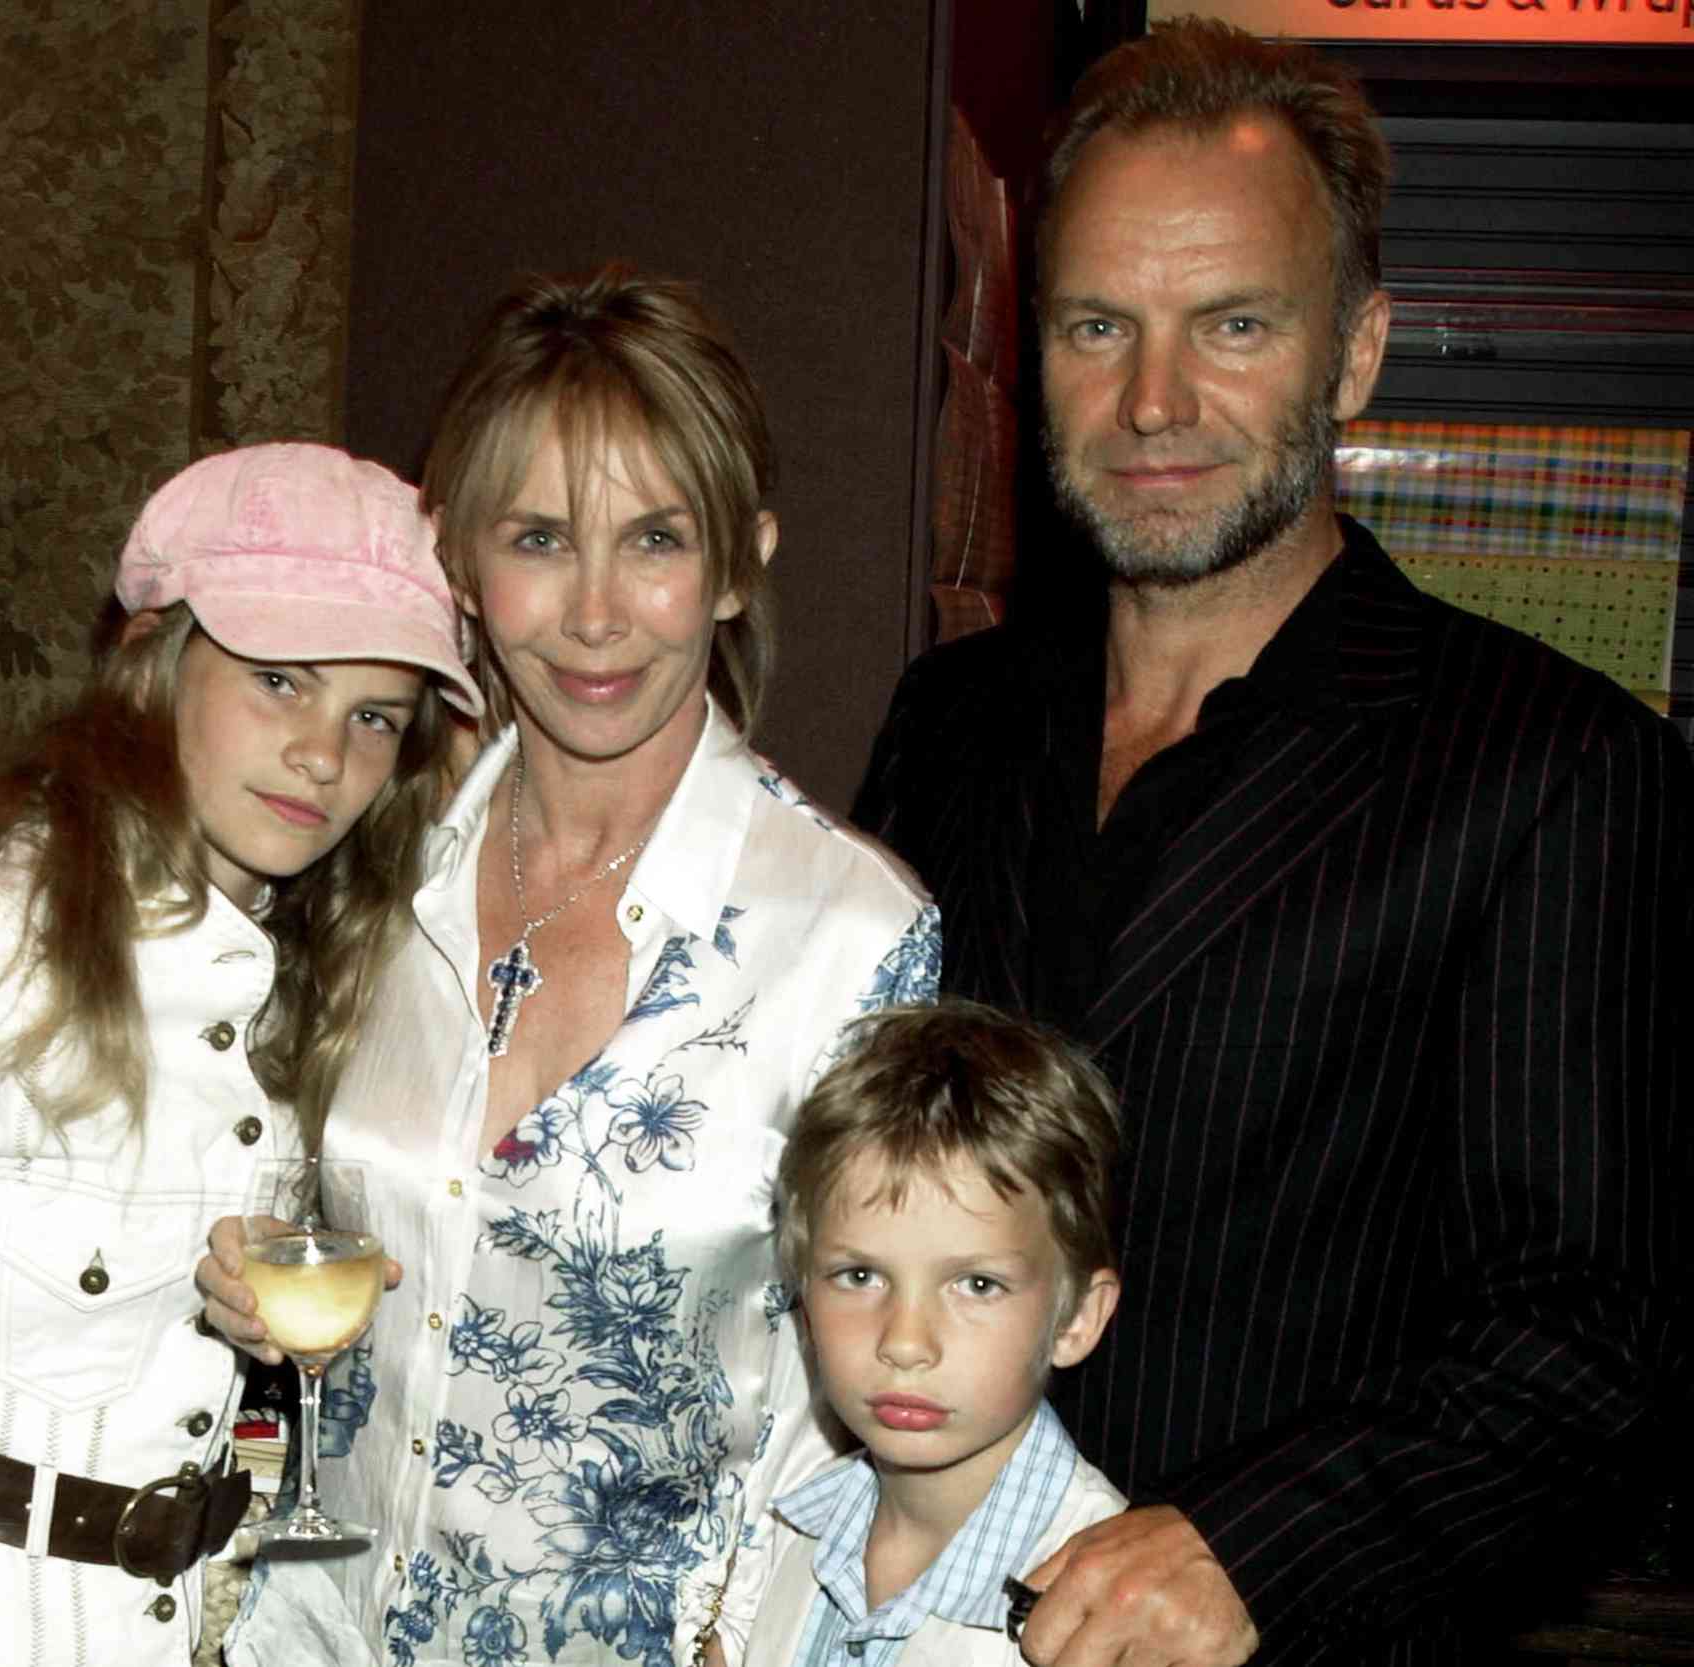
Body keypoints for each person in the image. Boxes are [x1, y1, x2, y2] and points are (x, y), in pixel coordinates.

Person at [853, 20, 1692, 1667]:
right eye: (1100, 324)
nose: (1153, 399)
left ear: (1356, 354)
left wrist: (1253, 1541)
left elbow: (1586, 1336)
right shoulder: (946, 718)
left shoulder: (1554, 765)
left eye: (1232, 324)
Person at [203, 265, 941, 1667]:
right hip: (307, 1633)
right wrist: (237, 1281)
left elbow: (883, 1397)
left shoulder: (850, 937)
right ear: (463, 561)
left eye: (654, 538)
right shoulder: (361, 859)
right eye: (540, 535)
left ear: (738, 562)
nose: (595, 611)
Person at [0, 443, 482, 1667]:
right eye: (279, 678)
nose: (326, 755)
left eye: (373, 713)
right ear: (151, 665)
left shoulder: (310, 977)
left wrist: (252, 1331)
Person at [745, 1000, 1124, 1667]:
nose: (906, 1341)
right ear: (802, 1297)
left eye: (977, 1284)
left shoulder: (1110, 1619)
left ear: (1076, 1319)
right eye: (860, 1274)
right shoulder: (779, 1537)